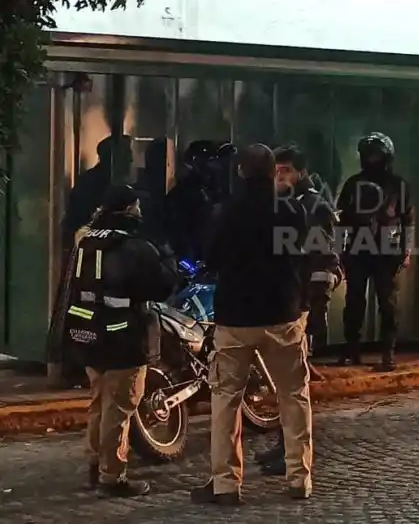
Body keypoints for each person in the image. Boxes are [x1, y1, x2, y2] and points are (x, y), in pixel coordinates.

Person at [191, 144, 339, 505]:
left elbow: (209, 259)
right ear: (274, 173)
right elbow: (306, 254)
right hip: (283, 316)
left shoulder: (226, 212)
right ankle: (299, 478)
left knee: (226, 399)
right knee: (293, 395)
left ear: (241, 172)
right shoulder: (293, 211)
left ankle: (225, 484)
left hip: (235, 318)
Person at [61, 184, 179, 497]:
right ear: (129, 209)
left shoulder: (86, 239)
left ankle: (95, 465)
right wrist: (166, 255)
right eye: (137, 206)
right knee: (120, 406)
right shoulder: (134, 245)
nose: (140, 211)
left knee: (99, 402)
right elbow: (161, 285)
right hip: (124, 336)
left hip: (89, 333)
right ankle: (112, 477)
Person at [255, 144, 343, 476]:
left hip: (302, 302)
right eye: (276, 170)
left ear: (301, 173)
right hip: (285, 301)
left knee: (294, 386)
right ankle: (284, 445)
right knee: (282, 383)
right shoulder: (282, 203)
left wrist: (314, 305)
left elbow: (324, 260)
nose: (279, 176)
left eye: (286, 171)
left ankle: (293, 452)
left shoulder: (314, 207)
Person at [336, 132, 414, 372]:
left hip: (387, 252)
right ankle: (352, 349)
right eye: (368, 155)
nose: (372, 159)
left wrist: (407, 250)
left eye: (377, 155)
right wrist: (338, 250)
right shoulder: (353, 184)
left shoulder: (398, 185)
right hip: (357, 250)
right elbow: (341, 220)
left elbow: (408, 220)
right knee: (354, 302)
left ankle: (387, 353)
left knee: (388, 305)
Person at [164, 140, 235, 262]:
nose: (215, 166)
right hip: (195, 261)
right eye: (208, 161)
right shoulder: (184, 191)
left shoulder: (224, 189)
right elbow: (177, 230)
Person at [63, 135, 134, 244]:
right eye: (127, 154)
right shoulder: (89, 185)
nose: (131, 160)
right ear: (113, 158)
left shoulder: (116, 184)